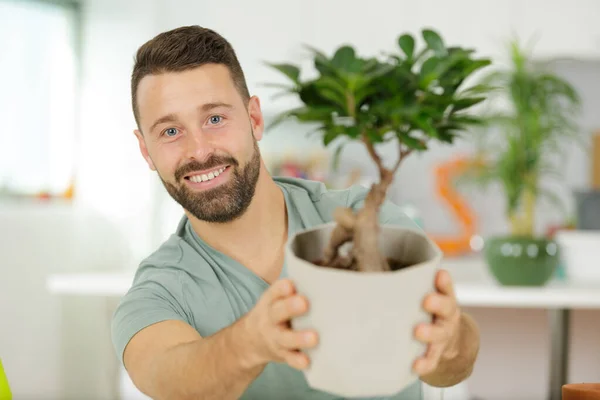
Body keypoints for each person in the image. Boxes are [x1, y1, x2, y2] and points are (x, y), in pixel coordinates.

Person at [111, 25, 480, 400]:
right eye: (171, 131)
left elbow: (453, 366)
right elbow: (170, 378)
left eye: (215, 119)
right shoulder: (158, 291)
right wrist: (248, 344)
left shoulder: (365, 218)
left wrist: (449, 342)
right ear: (146, 151)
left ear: (255, 119)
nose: (199, 150)